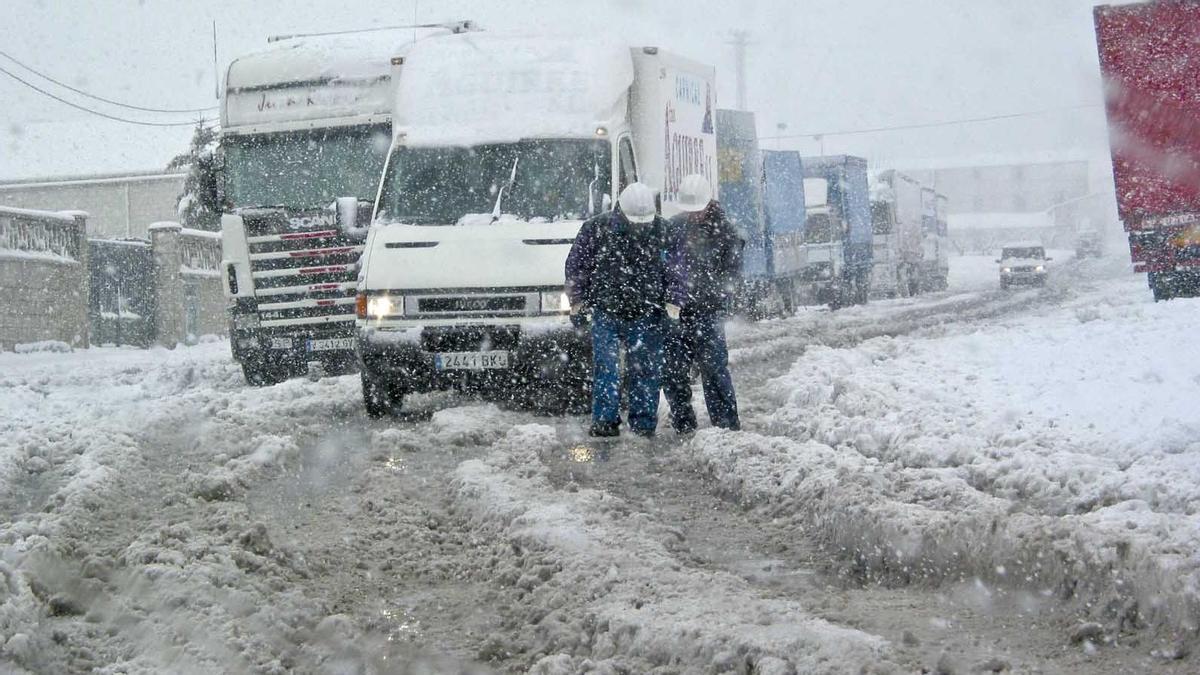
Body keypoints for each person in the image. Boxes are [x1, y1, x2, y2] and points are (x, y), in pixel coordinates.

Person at [565, 182, 684, 438]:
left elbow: (678, 271)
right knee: (606, 368)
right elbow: (577, 267)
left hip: (648, 312)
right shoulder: (596, 229)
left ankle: (643, 423)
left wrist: (673, 305)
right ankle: (604, 421)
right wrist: (578, 303)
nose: (640, 227)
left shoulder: (664, 230)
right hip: (606, 311)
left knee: (646, 369)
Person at [662, 174, 743, 434]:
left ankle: (726, 425)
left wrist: (711, 296)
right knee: (673, 371)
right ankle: (683, 423)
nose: (694, 215)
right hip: (677, 313)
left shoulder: (726, 231)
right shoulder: (673, 227)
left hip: (708, 313)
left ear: (709, 203)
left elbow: (731, 273)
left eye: (698, 210)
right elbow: (663, 265)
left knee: (714, 370)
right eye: (689, 210)